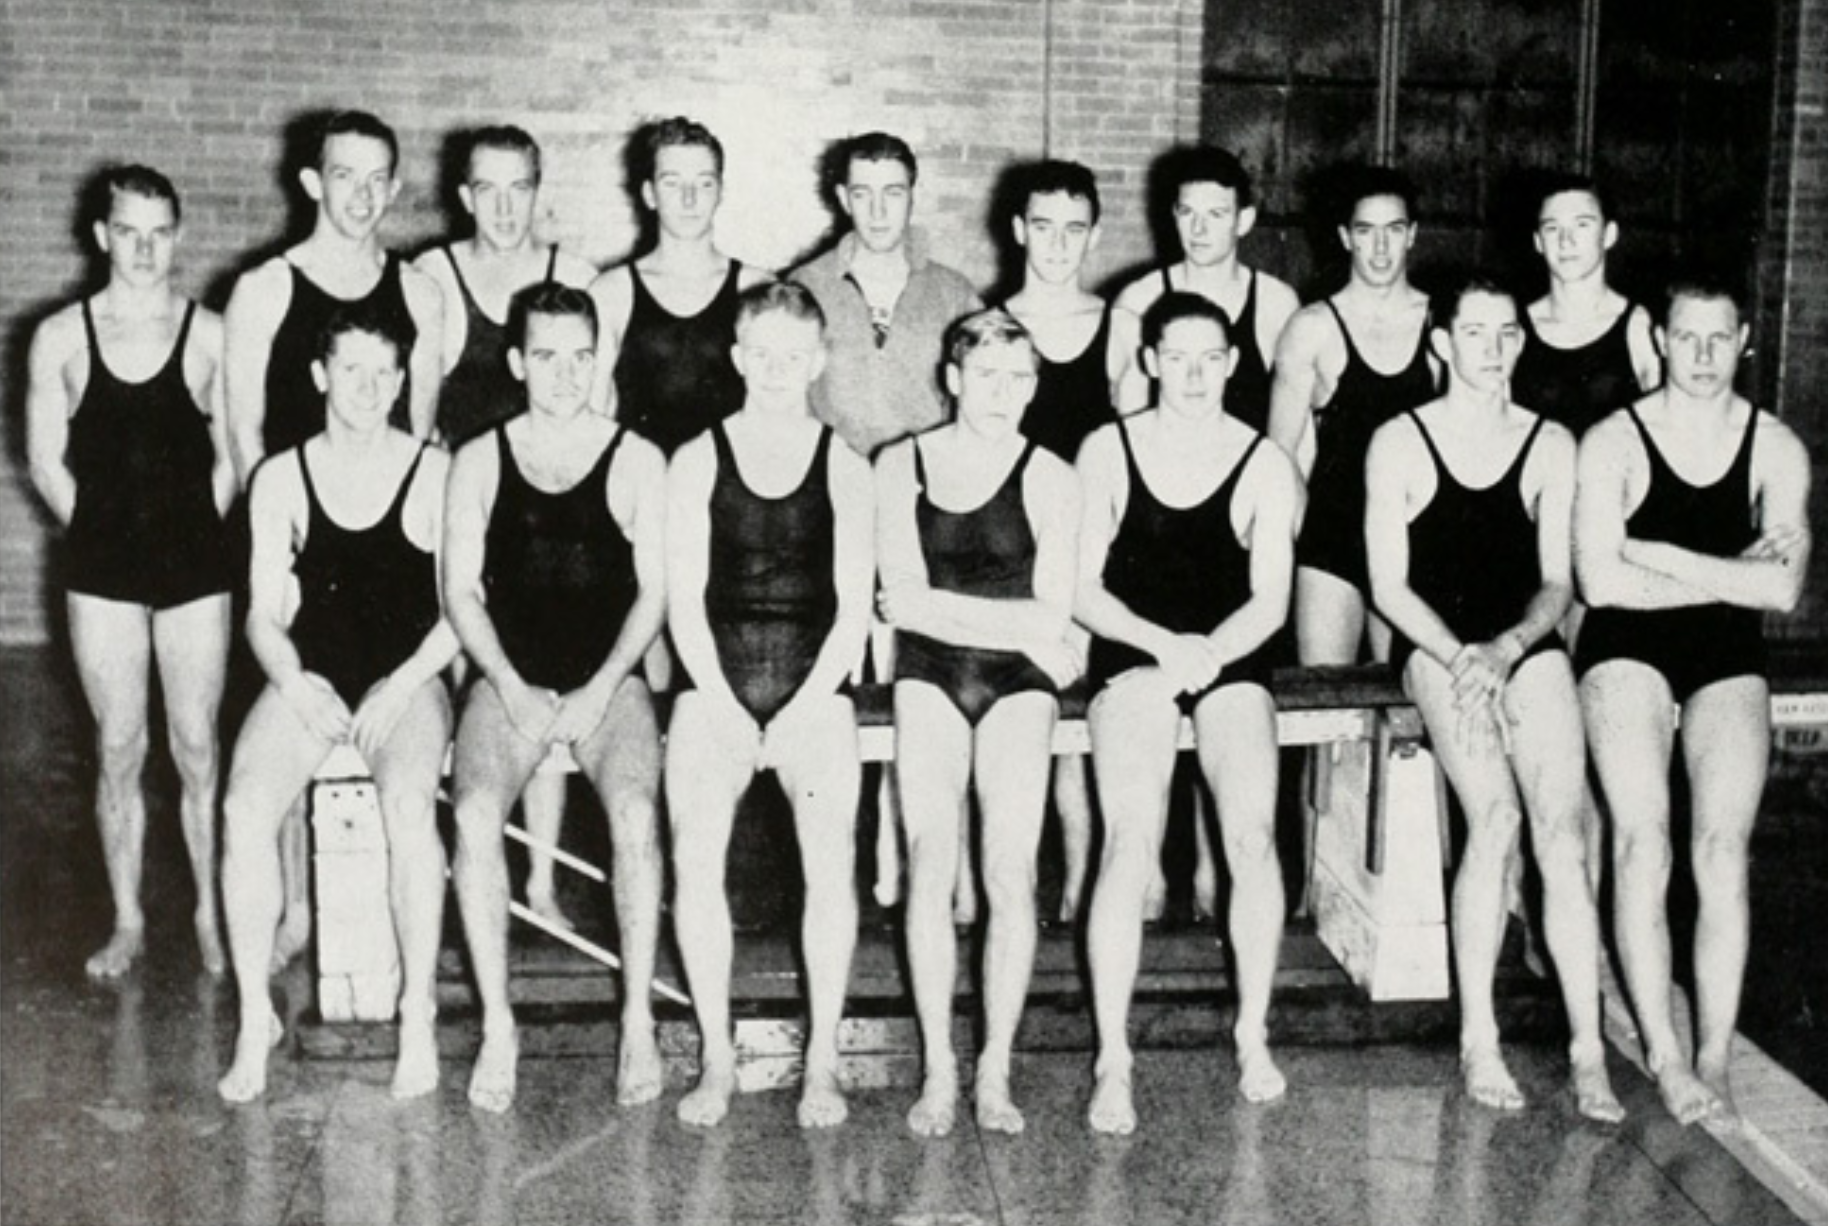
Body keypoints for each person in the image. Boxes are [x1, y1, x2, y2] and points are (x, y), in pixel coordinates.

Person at [1363, 274, 1622, 1122]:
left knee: (1562, 829)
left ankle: (1588, 1047)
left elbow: (1557, 581)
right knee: (1498, 819)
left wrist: (1509, 648)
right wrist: (1461, 655)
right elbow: (1389, 587)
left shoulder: (1551, 443)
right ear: (1443, 344)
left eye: (1506, 332)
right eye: (1474, 333)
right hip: (1435, 644)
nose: (1492, 348)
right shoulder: (1399, 439)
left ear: (1521, 341)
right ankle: (1480, 1034)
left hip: (1519, 642)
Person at [1574, 274, 1810, 1129]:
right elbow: (1600, 582)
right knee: (1642, 843)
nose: (1704, 357)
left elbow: (1782, 593)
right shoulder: (1614, 441)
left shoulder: (1775, 446)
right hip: (1626, 648)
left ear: (1743, 340)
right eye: (1687, 338)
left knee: (1720, 849)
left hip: (1725, 652)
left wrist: (1657, 550)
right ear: (1660, 342)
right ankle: (1665, 1055)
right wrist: (1729, 574)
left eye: (1720, 340)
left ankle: (1713, 1050)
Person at [216, 306, 457, 1103]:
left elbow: (465, 608)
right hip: (313, 671)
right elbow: (259, 611)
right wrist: (290, 680)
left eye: (385, 373)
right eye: (351, 370)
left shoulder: (435, 471)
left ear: (402, 381)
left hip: (408, 675)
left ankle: (415, 1012)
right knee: (245, 806)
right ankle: (255, 1015)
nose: (369, 388)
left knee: (407, 805)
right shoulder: (281, 477)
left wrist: (407, 679)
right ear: (320, 376)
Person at [223, 110, 445, 972]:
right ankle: (293, 917)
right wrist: (285, 542)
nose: (359, 194)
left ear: (392, 187)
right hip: (291, 540)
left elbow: (417, 435)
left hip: (387, 554)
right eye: (342, 175)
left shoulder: (420, 292)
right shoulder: (267, 288)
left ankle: (392, 932)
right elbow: (243, 435)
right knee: (279, 752)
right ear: (312, 182)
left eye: (375, 178)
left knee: (402, 760)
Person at [1076, 293, 1301, 1132]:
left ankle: (1252, 1031)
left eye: (1213, 357)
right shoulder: (1108, 448)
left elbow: (1271, 603)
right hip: (1134, 649)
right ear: (1150, 361)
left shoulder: (1263, 460)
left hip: (1229, 652)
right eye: (1180, 357)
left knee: (1251, 835)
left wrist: (1199, 655)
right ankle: (1113, 1055)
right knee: (1130, 839)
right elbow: (1080, 587)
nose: (1197, 374)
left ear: (1234, 363)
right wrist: (1162, 650)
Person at [443, 283, 669, 1113]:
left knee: (638, 816)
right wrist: (509, 685)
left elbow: (655, 595)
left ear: (600, 357)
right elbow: (461, 593)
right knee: (471, 816)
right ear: (516, 362)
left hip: (609, 682)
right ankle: (499, 1023)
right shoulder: (479, 458)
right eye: (546, 356)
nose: (566, 374)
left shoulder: (638, 458)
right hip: (510, 681)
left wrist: (600, 688)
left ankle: (638, 1015)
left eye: (581, 356)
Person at [666, 282, 874, 1129]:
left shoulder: (847, 464)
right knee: (694, 858)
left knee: (830, 865)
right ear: (739, 357)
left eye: (797, 356)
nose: (780, 370)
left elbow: (854, 609)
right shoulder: (695, 459)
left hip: (813, 683)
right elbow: (684, 604)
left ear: (819, 361)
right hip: (715, 681)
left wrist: (792, 716)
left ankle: (821, 1060)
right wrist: (726, 706)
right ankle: (718, 1057)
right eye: (765, 354)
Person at [26, 165, 234, 981]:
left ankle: (213, 914)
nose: (145, 249)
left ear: (176, 236)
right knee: (119, 743)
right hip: (102, 565)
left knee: (195, 746)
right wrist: (109, 536)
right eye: (129, 232)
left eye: (160, 233)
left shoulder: (211, 333)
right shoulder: (62, 337)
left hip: (194, 562)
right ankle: (128, 918)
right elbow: (46, 462)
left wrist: (189, 532)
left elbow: (234, 459)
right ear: (102, 235)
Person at [876, 310, 1079, 1137]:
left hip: (1016, 684)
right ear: (954, 379)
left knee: (1008, 868)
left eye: (1021, 378)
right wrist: (1029, 626)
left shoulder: (1051, 475)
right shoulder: (902, 462)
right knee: (930, 865)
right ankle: (939, 1065)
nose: (1005, 395)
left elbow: (1057, 607)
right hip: (930, 675)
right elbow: (900, 593)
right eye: (988, 377)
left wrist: (1020, 623)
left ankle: (994, 1065)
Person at [414, 125, 597, 932]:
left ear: (538, 189)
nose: (502, 205)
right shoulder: (434, 277)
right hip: (466, 503)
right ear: (463, 195)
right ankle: (470, 857)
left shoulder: (573, 275)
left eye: (517, 187)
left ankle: (544, 877)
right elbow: (419, 417)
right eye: (485, 189)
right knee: (468, 685)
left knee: (549, 676)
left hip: (550, 512)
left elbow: (600, 410)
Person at [1268, 165, 1438, 666]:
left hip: (1413, 537)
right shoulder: (1312, 327)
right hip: (1334, 538)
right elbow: (1277, 455)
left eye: (1393, 231)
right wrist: (1307, 534)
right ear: (1345, 237)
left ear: (1412, 235)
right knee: (1328, 702)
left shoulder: (1439, 322)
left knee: (1405, 707)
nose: (1381, 249)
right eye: (1366, 232)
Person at [1000, 159, 1109, 925]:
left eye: (1074, 229)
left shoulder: (1123, 328)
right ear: (1019, 231)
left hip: (1091, 551)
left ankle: (1080, 876)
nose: (1058, 244)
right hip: (1009, 551)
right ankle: (1003, 881)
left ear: (1094, 235)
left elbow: (1134, 459)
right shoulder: (991, 326)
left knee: (1078, 718)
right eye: (1044, 227)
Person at [587, 117, 771, 456]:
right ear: (649, 194)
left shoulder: (757, 288)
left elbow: (779, 417)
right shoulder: (611, 293)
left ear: (721, 192)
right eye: (672, 183)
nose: (689, 199)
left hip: (732, 496)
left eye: (703, 184)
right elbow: (593, 423)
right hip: (642, 495)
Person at [792, 131, 982, 458]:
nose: (878, 211)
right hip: (830, 485)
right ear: (843, 198)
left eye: (892, 193)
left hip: (926, 488)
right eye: (863, 194)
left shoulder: (955, 294)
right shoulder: (805, 286)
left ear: (911, 196)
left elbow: (979, 402)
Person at [1107, 146, 1299, 430]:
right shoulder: (1139, 300)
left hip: (1252, 470)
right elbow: (1128, 423)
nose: (1198, 229)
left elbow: (1294, 423)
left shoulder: (1276, 303)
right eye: (1188, 213)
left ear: (1243, 221)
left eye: (1216, 214)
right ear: (1174, 215)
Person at [1513, 174, 1661, 441]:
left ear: (1609, 234)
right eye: (1552, 228)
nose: (1566, 241)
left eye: (1582, 225)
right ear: (1538, 241)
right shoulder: (1514, 326)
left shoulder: (1639, 326)